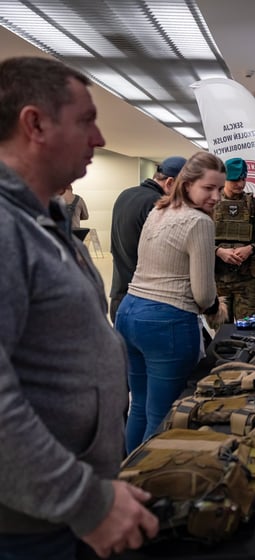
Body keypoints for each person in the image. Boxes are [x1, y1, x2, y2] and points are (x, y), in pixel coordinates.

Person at [0, 56, 158, 559]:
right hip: (32, 521)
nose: (98, 138)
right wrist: (84, 500)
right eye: (86, 120)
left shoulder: (40, 218)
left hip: (60, 509)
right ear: (35, 123)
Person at [115, 151, 225, 454]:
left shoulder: (159, 210)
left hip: (129, 312)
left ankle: (126, 475)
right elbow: (203, 294)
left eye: (220, 188)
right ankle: (146, 490)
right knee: (163, 417)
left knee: (138, 406)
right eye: (208, 188)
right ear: (186, 184)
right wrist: (217, 310)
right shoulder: (199, 222)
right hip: (167, 321)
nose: (216, 196)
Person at [109, 155, 186, 322]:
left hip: (119, 297)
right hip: (147, 301)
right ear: (170, 183)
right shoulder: (159, 204)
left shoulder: (125, 194)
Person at [213, 157, 255, 322]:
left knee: (252, 333)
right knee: (222, 336)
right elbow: (195, 240)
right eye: (235, 180)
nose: (240, 184)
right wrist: (218, 251)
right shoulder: (211, 204)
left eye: (243, 179)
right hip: (218, 282)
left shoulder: (254, 206)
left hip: (247, 283)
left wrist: (251, 249)